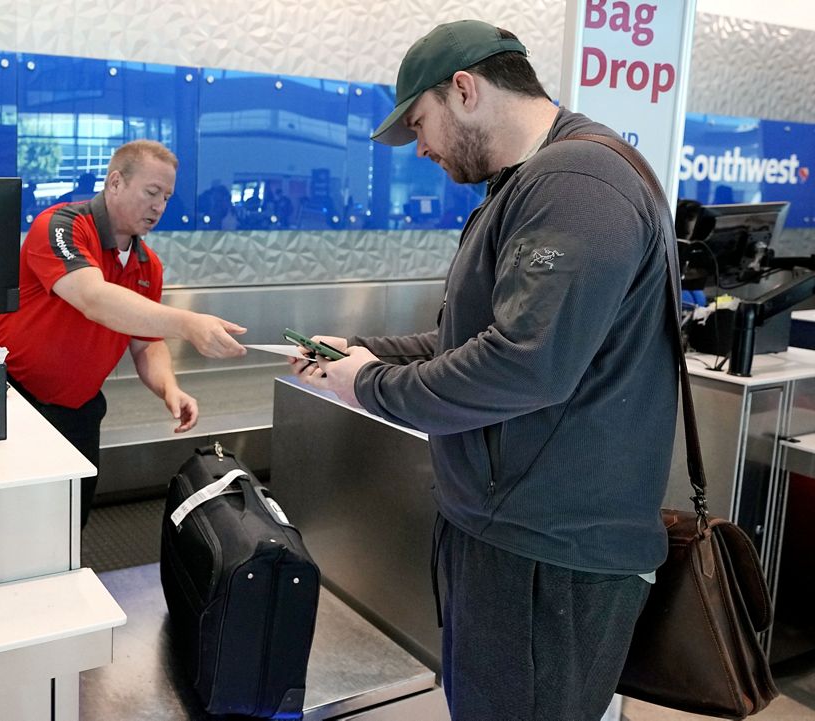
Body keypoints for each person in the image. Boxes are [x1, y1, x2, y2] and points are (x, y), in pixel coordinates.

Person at [289, 20, 677, 721]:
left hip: (548, 553)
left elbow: (523, 365)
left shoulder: (578, 183)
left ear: (464, 89)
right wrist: (357, 350)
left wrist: (366, 385)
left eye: (421, 124)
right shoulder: (526, 184)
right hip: (508, 535)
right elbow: (466, 338)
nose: (424, 149)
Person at [0, 139, 247, 526]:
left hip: (79, 411)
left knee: (68, 525)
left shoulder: (148, 265)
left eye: (167, 196)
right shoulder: (62, 225)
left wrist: (169, 388)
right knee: (8, 524)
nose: (159, 206)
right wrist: (189, 324)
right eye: (151, 192)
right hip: (13, 400)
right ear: (115, 183)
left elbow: (145, 345)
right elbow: (92, 297)